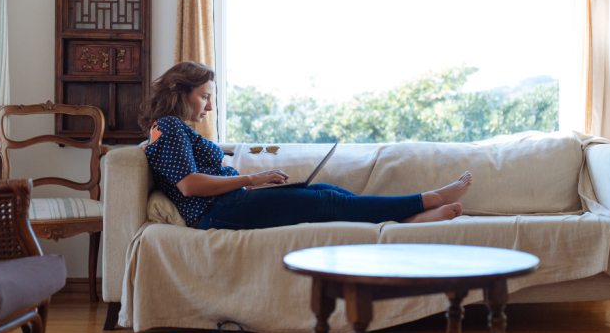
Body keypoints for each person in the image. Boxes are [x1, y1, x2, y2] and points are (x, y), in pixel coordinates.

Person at [139, 61, 472, 230]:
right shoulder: (167, 127)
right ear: (181, 93)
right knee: (327, 200)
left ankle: (408, 221)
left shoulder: (171, 129)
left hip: (231, 203)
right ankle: (427, 199)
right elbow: (189, 185)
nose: (208, 107)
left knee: (329, 191)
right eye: (204, 97)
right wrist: (252, 179)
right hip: (217, 212)